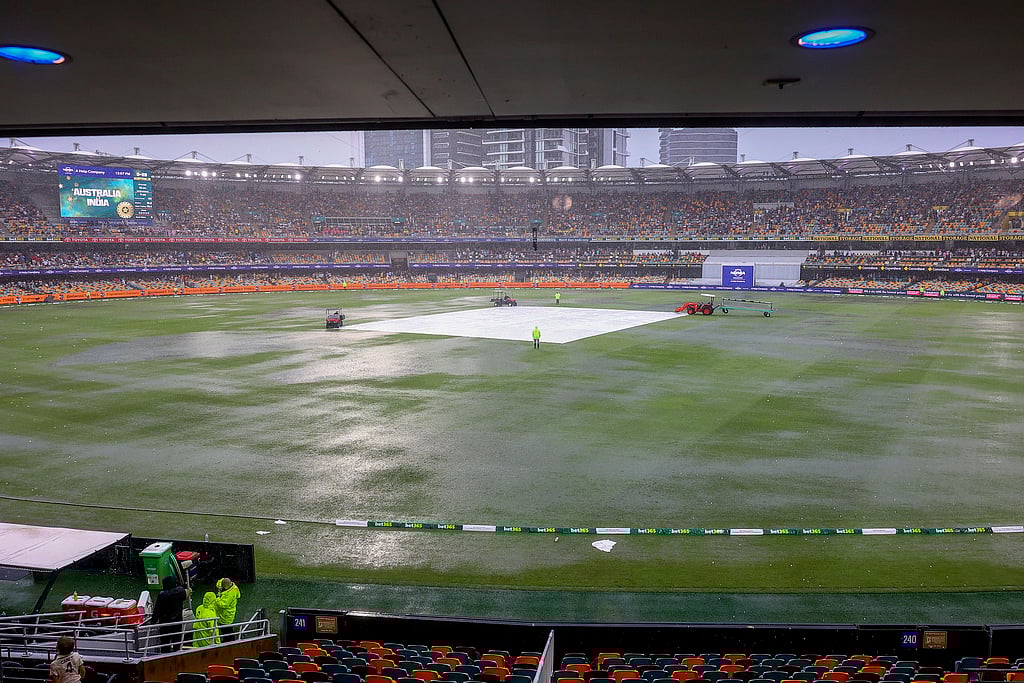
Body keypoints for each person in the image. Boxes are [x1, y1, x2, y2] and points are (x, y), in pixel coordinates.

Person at [153, 575, 190, 653]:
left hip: (165, 624)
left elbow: (157, 611)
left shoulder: (162, 595)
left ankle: (165, 656)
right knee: (177, 643)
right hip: (177, 623)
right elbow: (186, 592)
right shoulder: (180, 592)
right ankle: (177, 655)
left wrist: (153, 622)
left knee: (165, 644)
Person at [214, 577, 241, 642]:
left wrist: (216, 599)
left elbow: (224, 605)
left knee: (227, 630)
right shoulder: (230, 586)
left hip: (226, 615)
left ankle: (230, 641)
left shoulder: (230, 594)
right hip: (223, 614)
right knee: (225, 629)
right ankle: (228, 639)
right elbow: (220, 582)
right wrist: (219, 587)